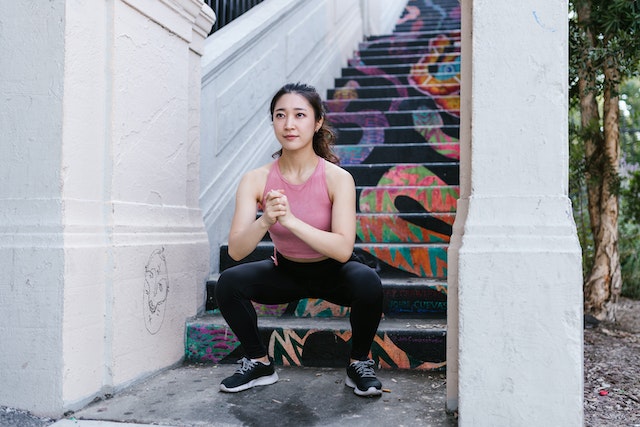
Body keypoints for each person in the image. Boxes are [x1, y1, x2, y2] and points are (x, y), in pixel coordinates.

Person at [214, 82, 384, 397]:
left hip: (333, 271)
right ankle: (258, 362)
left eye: (299, 114)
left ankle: (359, 362)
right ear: (273, 122)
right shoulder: (256, 179)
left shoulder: (337, 178)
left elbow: (343, 248)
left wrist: (291, 221)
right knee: (228, 282)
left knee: (369, 282)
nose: (289, 124)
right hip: (286, 271)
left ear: (317, 122)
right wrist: (265, 219)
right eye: (280, 115)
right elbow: (237, 250)